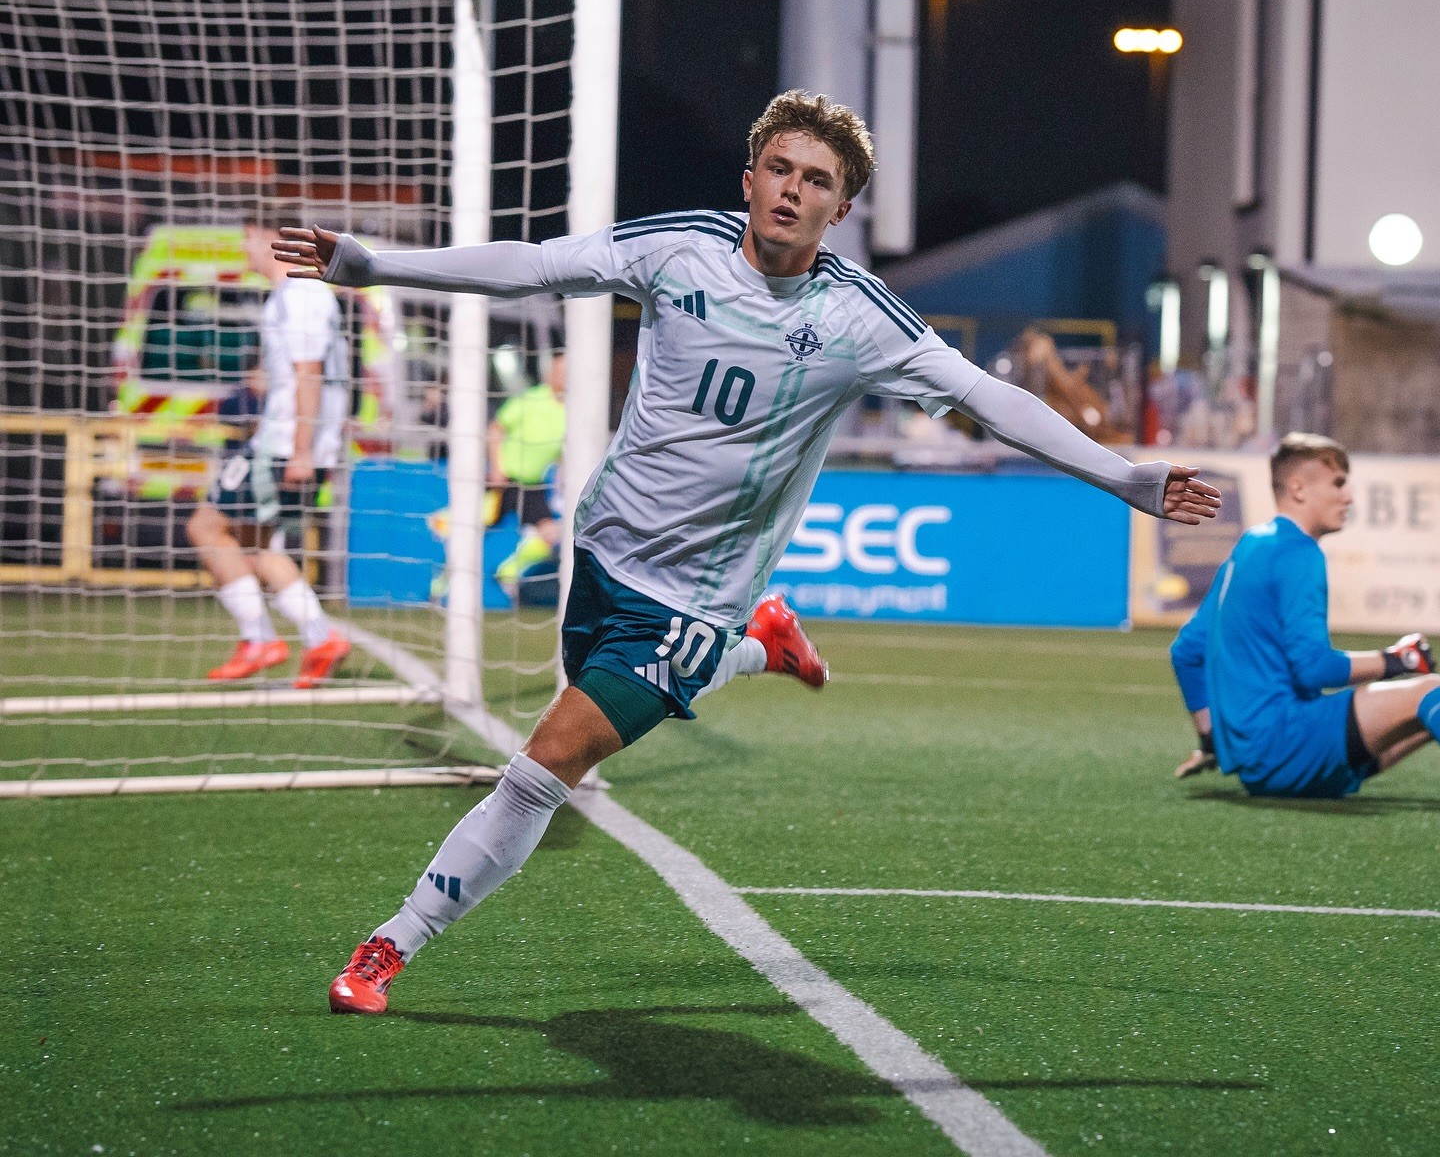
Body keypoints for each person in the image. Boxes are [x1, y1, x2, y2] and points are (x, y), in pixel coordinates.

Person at [274, 89, 1220, 1014]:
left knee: (544, 767)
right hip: (603, 552)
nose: (792, 190)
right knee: (576, 734)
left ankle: (390, 945)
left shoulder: (858, 318)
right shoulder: (679, 247)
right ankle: (763, 646)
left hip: (693, 594)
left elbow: (988, 399)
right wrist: (372, 264)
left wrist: (1126, 477)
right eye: (779, 168)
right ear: (750, 177)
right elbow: (534, 266)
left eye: (816, 180)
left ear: (840, 209)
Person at [1170, 432, 1438, 794]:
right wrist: (1396, 659)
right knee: (1433, 691)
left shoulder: (1251, 544)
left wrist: (1211, 741)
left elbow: (1185, 651)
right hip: (1288, 745)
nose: (1349, 496)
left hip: (1257, 765)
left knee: (1423, 712)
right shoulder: (1298, 553)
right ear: (1298, 489)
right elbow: (1313, 668)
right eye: (1338, 483)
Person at [186, 226, 352, 687]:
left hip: (284, 446)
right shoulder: (291, 295)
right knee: (258, 545)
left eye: (247, 239)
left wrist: (300, 449)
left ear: (267, 239)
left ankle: (262, 639)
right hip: (289, 441)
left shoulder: (299, 293)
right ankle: (319, 639)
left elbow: (309, 374)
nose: (243, 251)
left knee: (207, 527)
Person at [489, 352, 567, 597]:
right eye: (560, 370)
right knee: (465, 530)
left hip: (532, 486)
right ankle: (439, 588)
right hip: (504, 481)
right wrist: (497, 467)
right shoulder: (530, 399)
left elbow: (560, 453)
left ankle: (507, 572)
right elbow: (495, 430)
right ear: (550, 374)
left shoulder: (573, 412)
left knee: (551, 535)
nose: (565, 375)